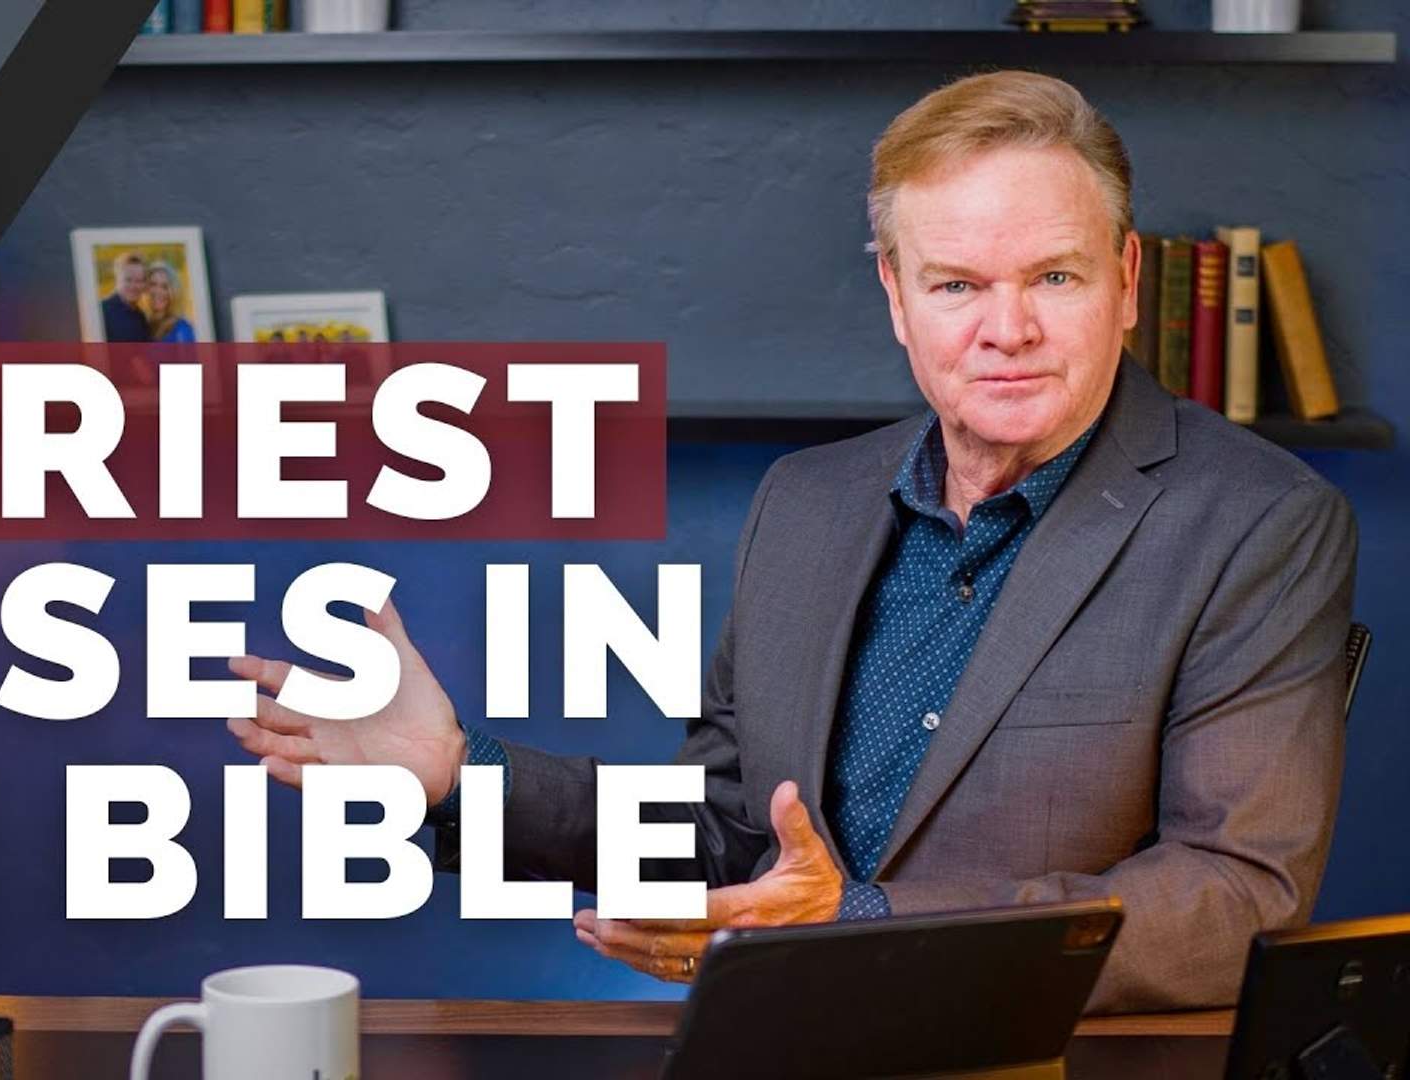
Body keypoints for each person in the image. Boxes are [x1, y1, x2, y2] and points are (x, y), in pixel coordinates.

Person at [223, 71, 1357, 1013]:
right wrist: (459, 780)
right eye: (956, 283)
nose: (1005, 329)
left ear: (1123, 281)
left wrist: (856, 924)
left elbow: (1234, 898)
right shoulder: (807, 501)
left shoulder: (1258, 522)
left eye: (1052, 277)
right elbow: (722, 830)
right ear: (896, 296)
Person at [101, 251, 151, 343]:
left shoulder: (140, 316)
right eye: (128, 280)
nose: (134, 286)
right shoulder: (101, 312)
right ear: (117, 279)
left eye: (139, 281)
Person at [145, 262, 197, 343]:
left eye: (165, 287)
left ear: (174, 292)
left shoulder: (182, 329)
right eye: (153, 284)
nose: (158, 291)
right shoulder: (143, 324)